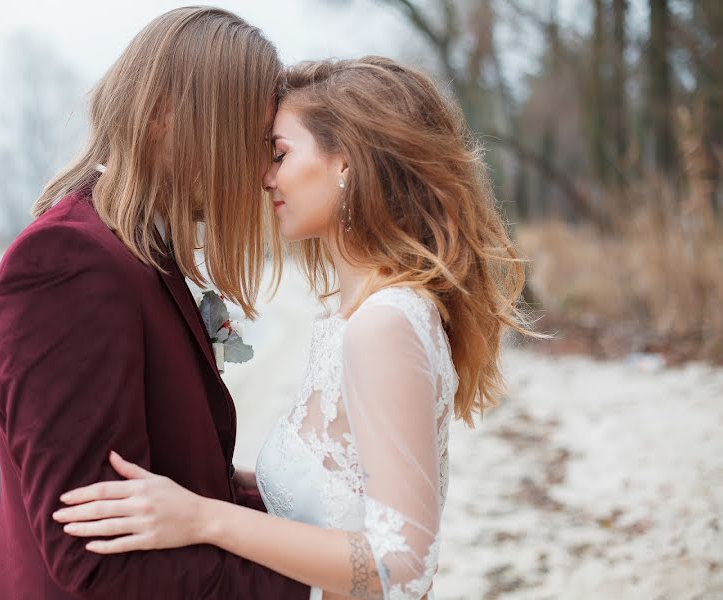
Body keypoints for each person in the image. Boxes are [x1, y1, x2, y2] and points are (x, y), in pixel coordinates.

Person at [53, 56, 530, 600]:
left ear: (346, 163)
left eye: (279, 154)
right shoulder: (358, 312)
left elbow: (403, 564)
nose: (264, 177)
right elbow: (347, 486)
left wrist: (202, 518)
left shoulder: (386, 323)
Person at [0, 7, 310, 598]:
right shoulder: (66, 264)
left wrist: (330, 538)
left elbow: (180, 484)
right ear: (164, 117)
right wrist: (314, 585)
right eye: (250, 140)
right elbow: (96, 558)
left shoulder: (133, 252)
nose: (264, 174)